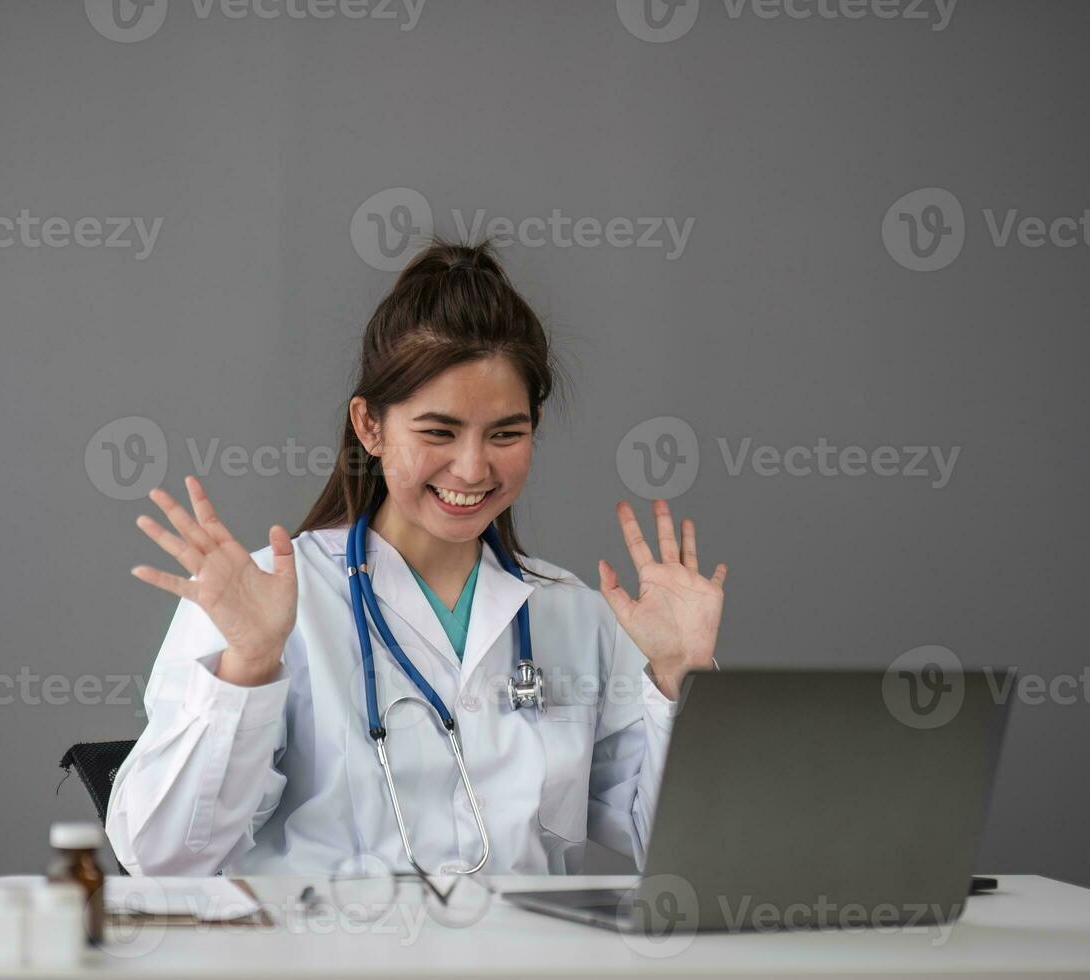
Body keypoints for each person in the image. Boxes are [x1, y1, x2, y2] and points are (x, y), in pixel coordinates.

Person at [105, 238, 727, 877]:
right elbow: (161, 859)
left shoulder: (572, 614)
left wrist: (683, 678)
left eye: (506, 433)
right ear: (370, 426)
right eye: (438, 431)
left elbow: (689, 857)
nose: (472, 467)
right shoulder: (264, 601)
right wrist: (250, 666)